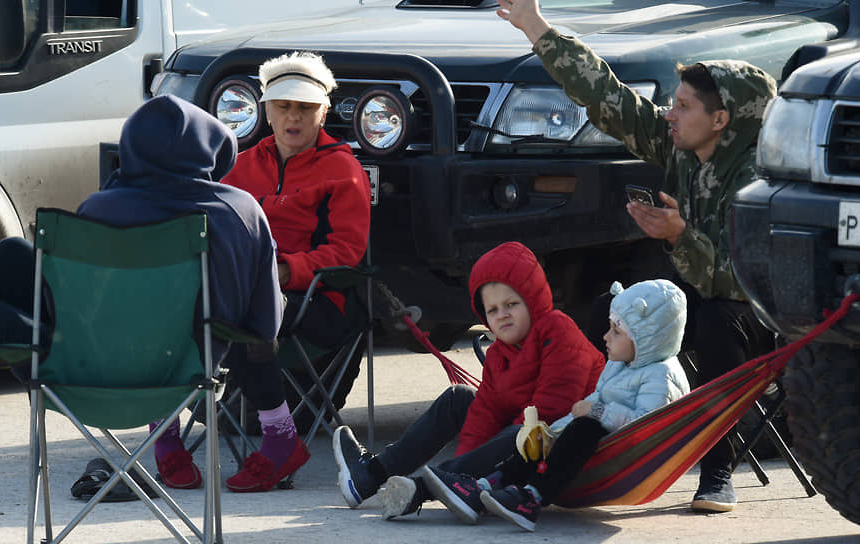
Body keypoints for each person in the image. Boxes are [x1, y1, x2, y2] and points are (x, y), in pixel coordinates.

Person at [0, 94, 284, 523]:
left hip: (82, 375)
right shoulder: (242, 211)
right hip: (180, 377)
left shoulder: (102, 207)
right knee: (12, 253)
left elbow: (79, 307)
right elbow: (264, 325)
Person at [495, 0, 778, 513]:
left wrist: (678, 236)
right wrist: (536, 27)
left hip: (750, 312)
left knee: (717, 324)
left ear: (721, 119)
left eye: (684, 106)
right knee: (609, 308)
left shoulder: (760, 180)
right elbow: (607, 97)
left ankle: (716, 473)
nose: (670, 113)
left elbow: (733, 280)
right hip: (689, 295)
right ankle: (566, 435)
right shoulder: (679, 146)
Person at [333, 241, 606, 519]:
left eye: (512, 304)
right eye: (493, 310)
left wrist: (477, 470)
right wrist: (468, 468)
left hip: (561, 446)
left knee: (523, 430)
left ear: (533, 300)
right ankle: (371, 474)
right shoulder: (500, 352)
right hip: (521, 443)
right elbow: (484, 415)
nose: (503, 315)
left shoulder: (558, 330)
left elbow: (553, 408)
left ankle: (427, 486)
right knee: (460, 398)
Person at [215, 51, 372, 492]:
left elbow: (347, 251)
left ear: (323, 111)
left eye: (304, 108)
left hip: (322, 300)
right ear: (266, 110)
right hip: (250, 293)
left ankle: (278, 440)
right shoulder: (240, 166)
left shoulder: (343, 169)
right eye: (284, 106)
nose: (293, 118)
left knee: (243, 315)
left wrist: (286, 271)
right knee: (185, 307)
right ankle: (166, 436)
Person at [422, 279, 690, 530]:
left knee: (583, 428)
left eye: (616, 331)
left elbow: (649, 428)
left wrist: (595, 412)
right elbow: (599, 397)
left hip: (619, 453)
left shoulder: (661, 376)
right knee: (540, 441)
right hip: (592, 442)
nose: (606, 337)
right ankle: (486, 486)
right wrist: (555, 429)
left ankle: (531, 499)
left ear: (647, 340)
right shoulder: (621, 364)